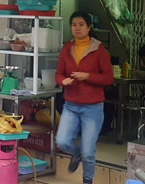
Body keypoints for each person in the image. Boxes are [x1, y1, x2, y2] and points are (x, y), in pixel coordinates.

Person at [55, 11, 114, 184]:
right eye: (74, 24)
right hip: (71, 105)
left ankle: (87, 180)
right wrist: (62, 81)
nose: (77, 28)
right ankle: (76, 152)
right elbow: (58, 73)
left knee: (89, 152)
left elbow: (108, 78)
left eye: (81, 24)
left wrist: (88, 76)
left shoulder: (99, 50)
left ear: (88, 27)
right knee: (62, 142)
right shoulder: (66, 48)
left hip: (93, 108)